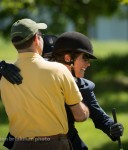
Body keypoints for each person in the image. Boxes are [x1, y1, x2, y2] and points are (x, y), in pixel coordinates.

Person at [1, 32, 124, 150]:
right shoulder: (38, 73)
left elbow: (100, 117)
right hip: (23, 141)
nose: (88, 64)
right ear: (68, 58)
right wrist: (1, 68)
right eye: (85, 58)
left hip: (63, 142)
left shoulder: (83, 87)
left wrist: (112, 127)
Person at [0, 19, 89, 150]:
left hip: (18, 145)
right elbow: (80, 116)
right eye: (41, 36)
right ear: (36, 39)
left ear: (14, 44)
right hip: (54, 145)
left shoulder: (4, 76)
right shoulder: (59, 70)